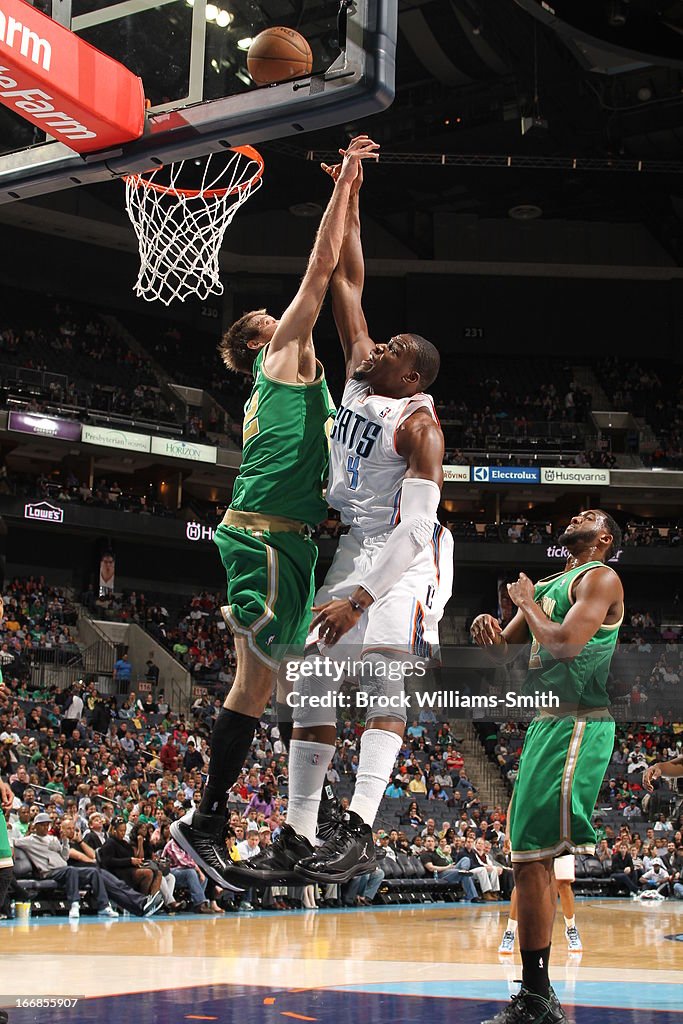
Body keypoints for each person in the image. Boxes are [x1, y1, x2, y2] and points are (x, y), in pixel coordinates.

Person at [232, 143, 453, 888]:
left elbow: (418, 530)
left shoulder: (418, 427)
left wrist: (362, 593)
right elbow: (349, 278)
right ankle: (296, 834)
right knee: (313, 677)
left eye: (390, 350)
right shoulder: (362, 367)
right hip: (355, 543)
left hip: (403, 560)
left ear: (411, 375)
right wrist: (349, 191)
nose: (374, 345)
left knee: (383, 681)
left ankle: (359, 827)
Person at [170, 135, 380, 888]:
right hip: (262, 535)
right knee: (263, 683)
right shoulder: (279, 355)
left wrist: (351, 195)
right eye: (272, 314)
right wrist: (342, 184)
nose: (282, 312)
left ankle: (261, 823)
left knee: (278, 685)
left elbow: (342, 273)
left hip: (286, 543)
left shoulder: (303, 374)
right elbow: (321, 270)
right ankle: (207, 820)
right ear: (262, 337)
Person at [471, 508, 623, 1024]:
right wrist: (489, 627)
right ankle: (535, 993)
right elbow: (502, 652)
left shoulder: (600, 577)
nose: (577, 515)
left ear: (602, 538)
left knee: (535, 858)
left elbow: (562, 645)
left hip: (577, 721)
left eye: (591, 515)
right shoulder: (555, 582)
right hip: (544, 724)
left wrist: (528, 603)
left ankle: (539, 996)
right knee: (525, 858)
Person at [14, 813, 119, 919]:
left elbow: (65, 857)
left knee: (94, 872)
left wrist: (64, 842)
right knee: (71, 870)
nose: (46, 827)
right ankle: (74, 905)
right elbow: (13, 842)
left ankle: (104, 907)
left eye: (47, 825)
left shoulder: (52, 839)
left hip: (63, 869)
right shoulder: (28, 841)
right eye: (42, 825)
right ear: (36, 826)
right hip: (49, 871)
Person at [498, 855, 583, 954]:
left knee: (563, 883)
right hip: (534, 841)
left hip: (561, 842)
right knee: (522, 882)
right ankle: (510, 932)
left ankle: (571, 928)